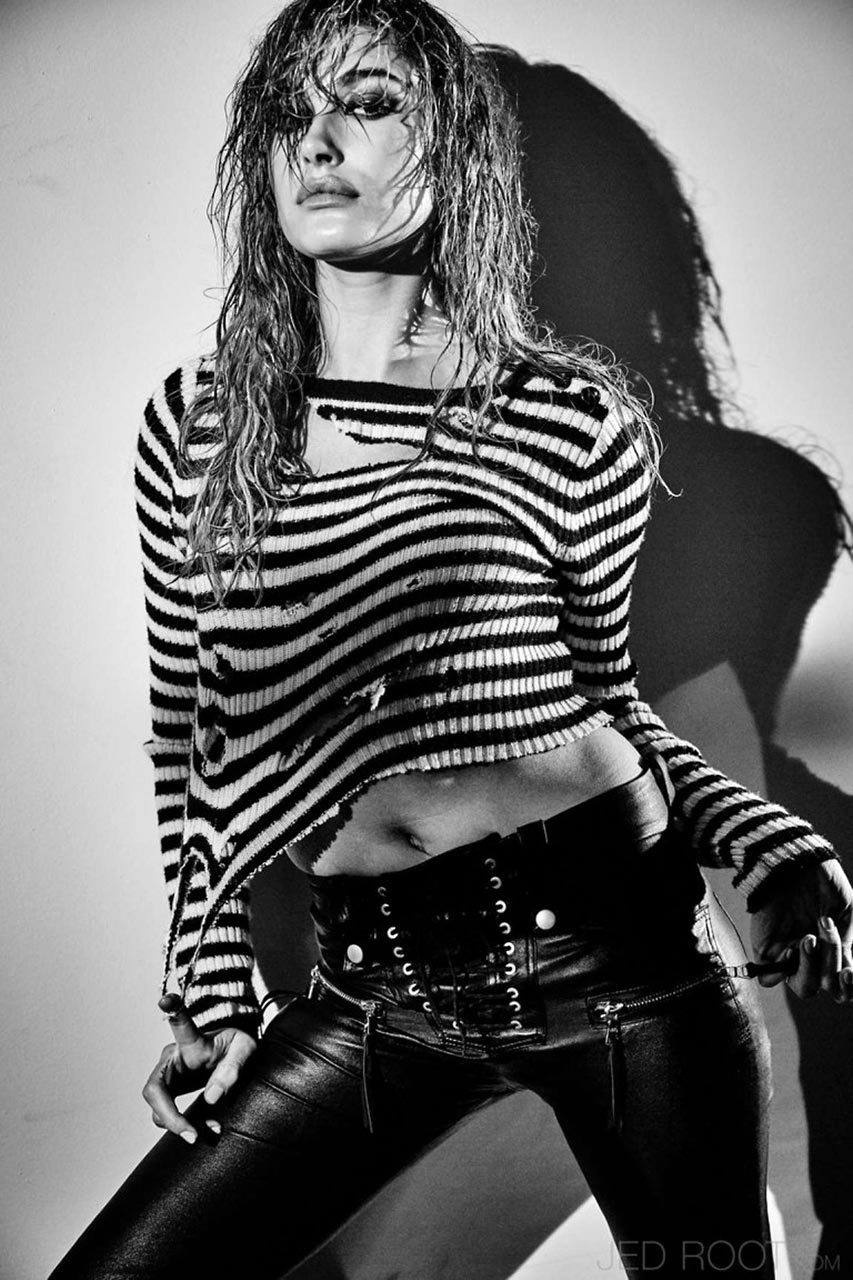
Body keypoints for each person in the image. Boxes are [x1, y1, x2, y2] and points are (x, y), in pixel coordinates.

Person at [49, 2, 853, 1278]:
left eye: (370, 106)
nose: (318, 143)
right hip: (371, 993)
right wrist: (206, 986)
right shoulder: (192, 424)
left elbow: (602, 701)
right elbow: (195, 736)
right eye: (291, 115)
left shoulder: (566, 419)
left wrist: (761, 831)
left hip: (623, 968)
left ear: (460, 157)